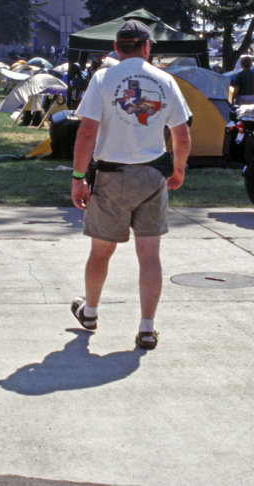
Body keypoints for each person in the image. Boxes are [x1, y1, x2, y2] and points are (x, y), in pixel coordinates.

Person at [70, 20, 191, 351]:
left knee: (101, 251)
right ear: (147, 47)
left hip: (112, 176)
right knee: (149, 255)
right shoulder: (166, 81)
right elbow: (181, 135)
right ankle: (147, 328)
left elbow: (86, 133)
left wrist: (79, 178)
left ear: (115, 47)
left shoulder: (102, 79)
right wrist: (178, 169)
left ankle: (91, 312)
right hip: (153, 176)